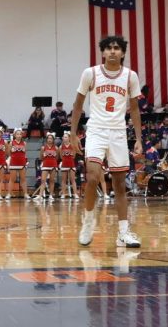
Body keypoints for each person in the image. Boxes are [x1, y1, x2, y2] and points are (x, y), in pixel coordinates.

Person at [69, 34, 143, 249]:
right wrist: (73, 134)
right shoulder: (90, 73)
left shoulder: (130, 76)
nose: (112, 51)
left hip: (119, 132)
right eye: (109, 48)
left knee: (119, 185)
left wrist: (138, 138)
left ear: (123, 53)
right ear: (102, 52)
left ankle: (123, 232)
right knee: (92, 177)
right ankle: (89, 221)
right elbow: (77, 105)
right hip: (96, 131)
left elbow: (135, 109)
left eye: (117, 48)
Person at [33, 133, 59, 200]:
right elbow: (41, 157)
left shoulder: (56, 148)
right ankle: (40, 195)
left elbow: (57, 158)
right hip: (45, 165)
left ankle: (50, 195)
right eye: (48, 138)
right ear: (46, 139)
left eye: (51, 138)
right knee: (43, 180)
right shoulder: (43, 148)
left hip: (53, 165)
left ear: (53, 140)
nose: (49, 140)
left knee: (52, 180)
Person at [6, 128, 29, 199]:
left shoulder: (24, 143)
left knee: (23, 179)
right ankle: (9, 193)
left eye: (20, 134)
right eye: (17, 134)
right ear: (14, 135)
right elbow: (8, 153)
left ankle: (25, 194)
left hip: (22, 163)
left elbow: (25, 153)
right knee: (12, 179)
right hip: (13, 163)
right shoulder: (11, 143)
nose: (19, 135)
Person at [58, 132, 78, 198]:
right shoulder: (61, 147)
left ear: (69, 138)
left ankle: (75, 194)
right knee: (63, 180)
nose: (65, 138)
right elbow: (61, 156)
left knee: (73, 180)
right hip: (64, 164)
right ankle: (63, 194)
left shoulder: (73, 146)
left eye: (66, 137)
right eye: (64, 137)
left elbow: (74, 156)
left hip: (71, 164)